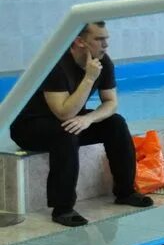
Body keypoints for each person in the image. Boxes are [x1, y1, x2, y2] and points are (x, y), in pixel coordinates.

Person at [9, 21, 154, 226]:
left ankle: (125, 192)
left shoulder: (103, 62)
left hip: (71, 118)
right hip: (31, 126)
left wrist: (88, 119)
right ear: (80, 42)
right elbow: (63, 112)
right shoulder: (56, 64)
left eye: (106, 39)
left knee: (116, 123)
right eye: (99, 39)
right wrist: (89, 78)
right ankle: (63, 208)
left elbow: (111, 102)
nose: (105, 45)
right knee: (65, 133)